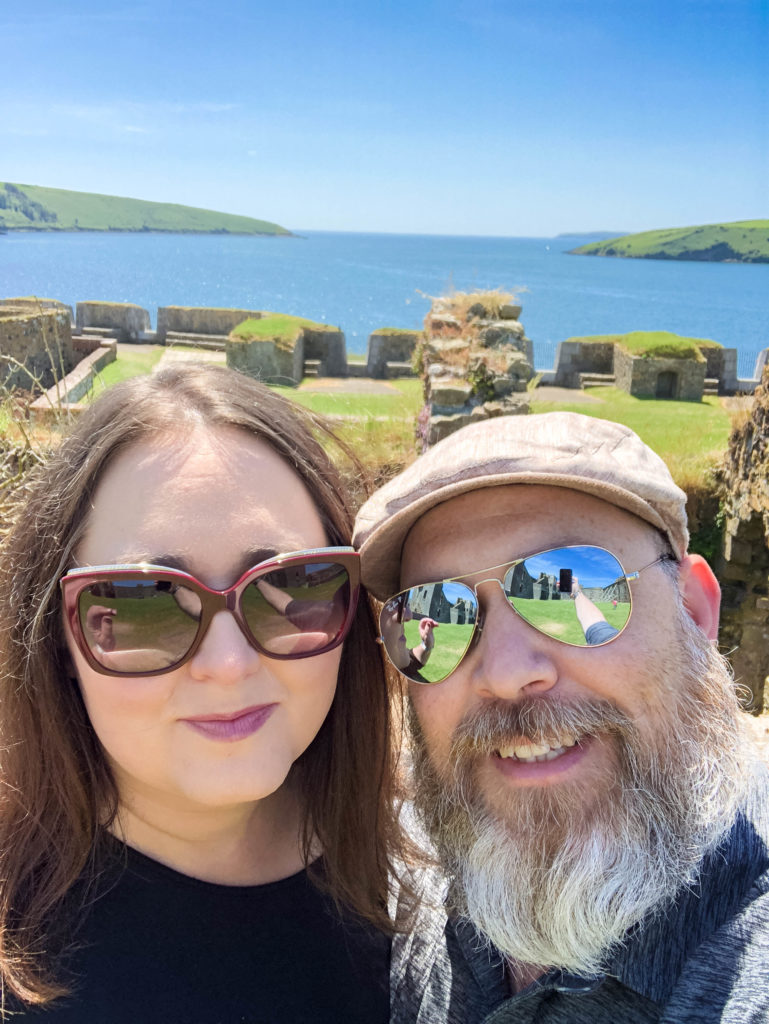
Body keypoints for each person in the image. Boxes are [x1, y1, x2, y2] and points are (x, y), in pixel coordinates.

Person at [0, 363, 403, 1023]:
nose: (227, 663)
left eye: (293, 589)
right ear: (58, 643)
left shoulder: (440, 885)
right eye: (142, 605)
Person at [353, 411, 769, 1024]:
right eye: (434, 614)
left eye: (571, 587)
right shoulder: (398, 882)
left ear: (697, 610)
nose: (503, 672)